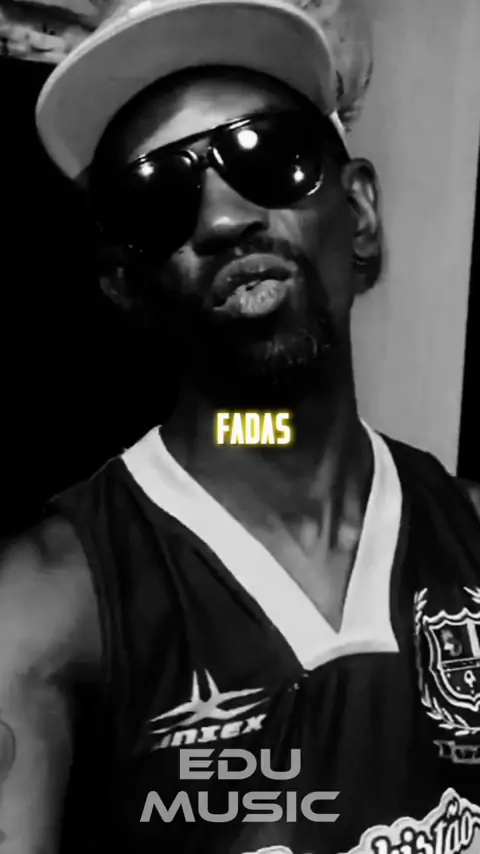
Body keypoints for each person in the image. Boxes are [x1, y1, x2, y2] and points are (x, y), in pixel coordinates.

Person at [1, 0, 480, 851]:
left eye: (268, 153)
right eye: (159, 195)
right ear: (124, 286)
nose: (224, 217)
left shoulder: (469, 535)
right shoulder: (44, 608)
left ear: (360, 212)